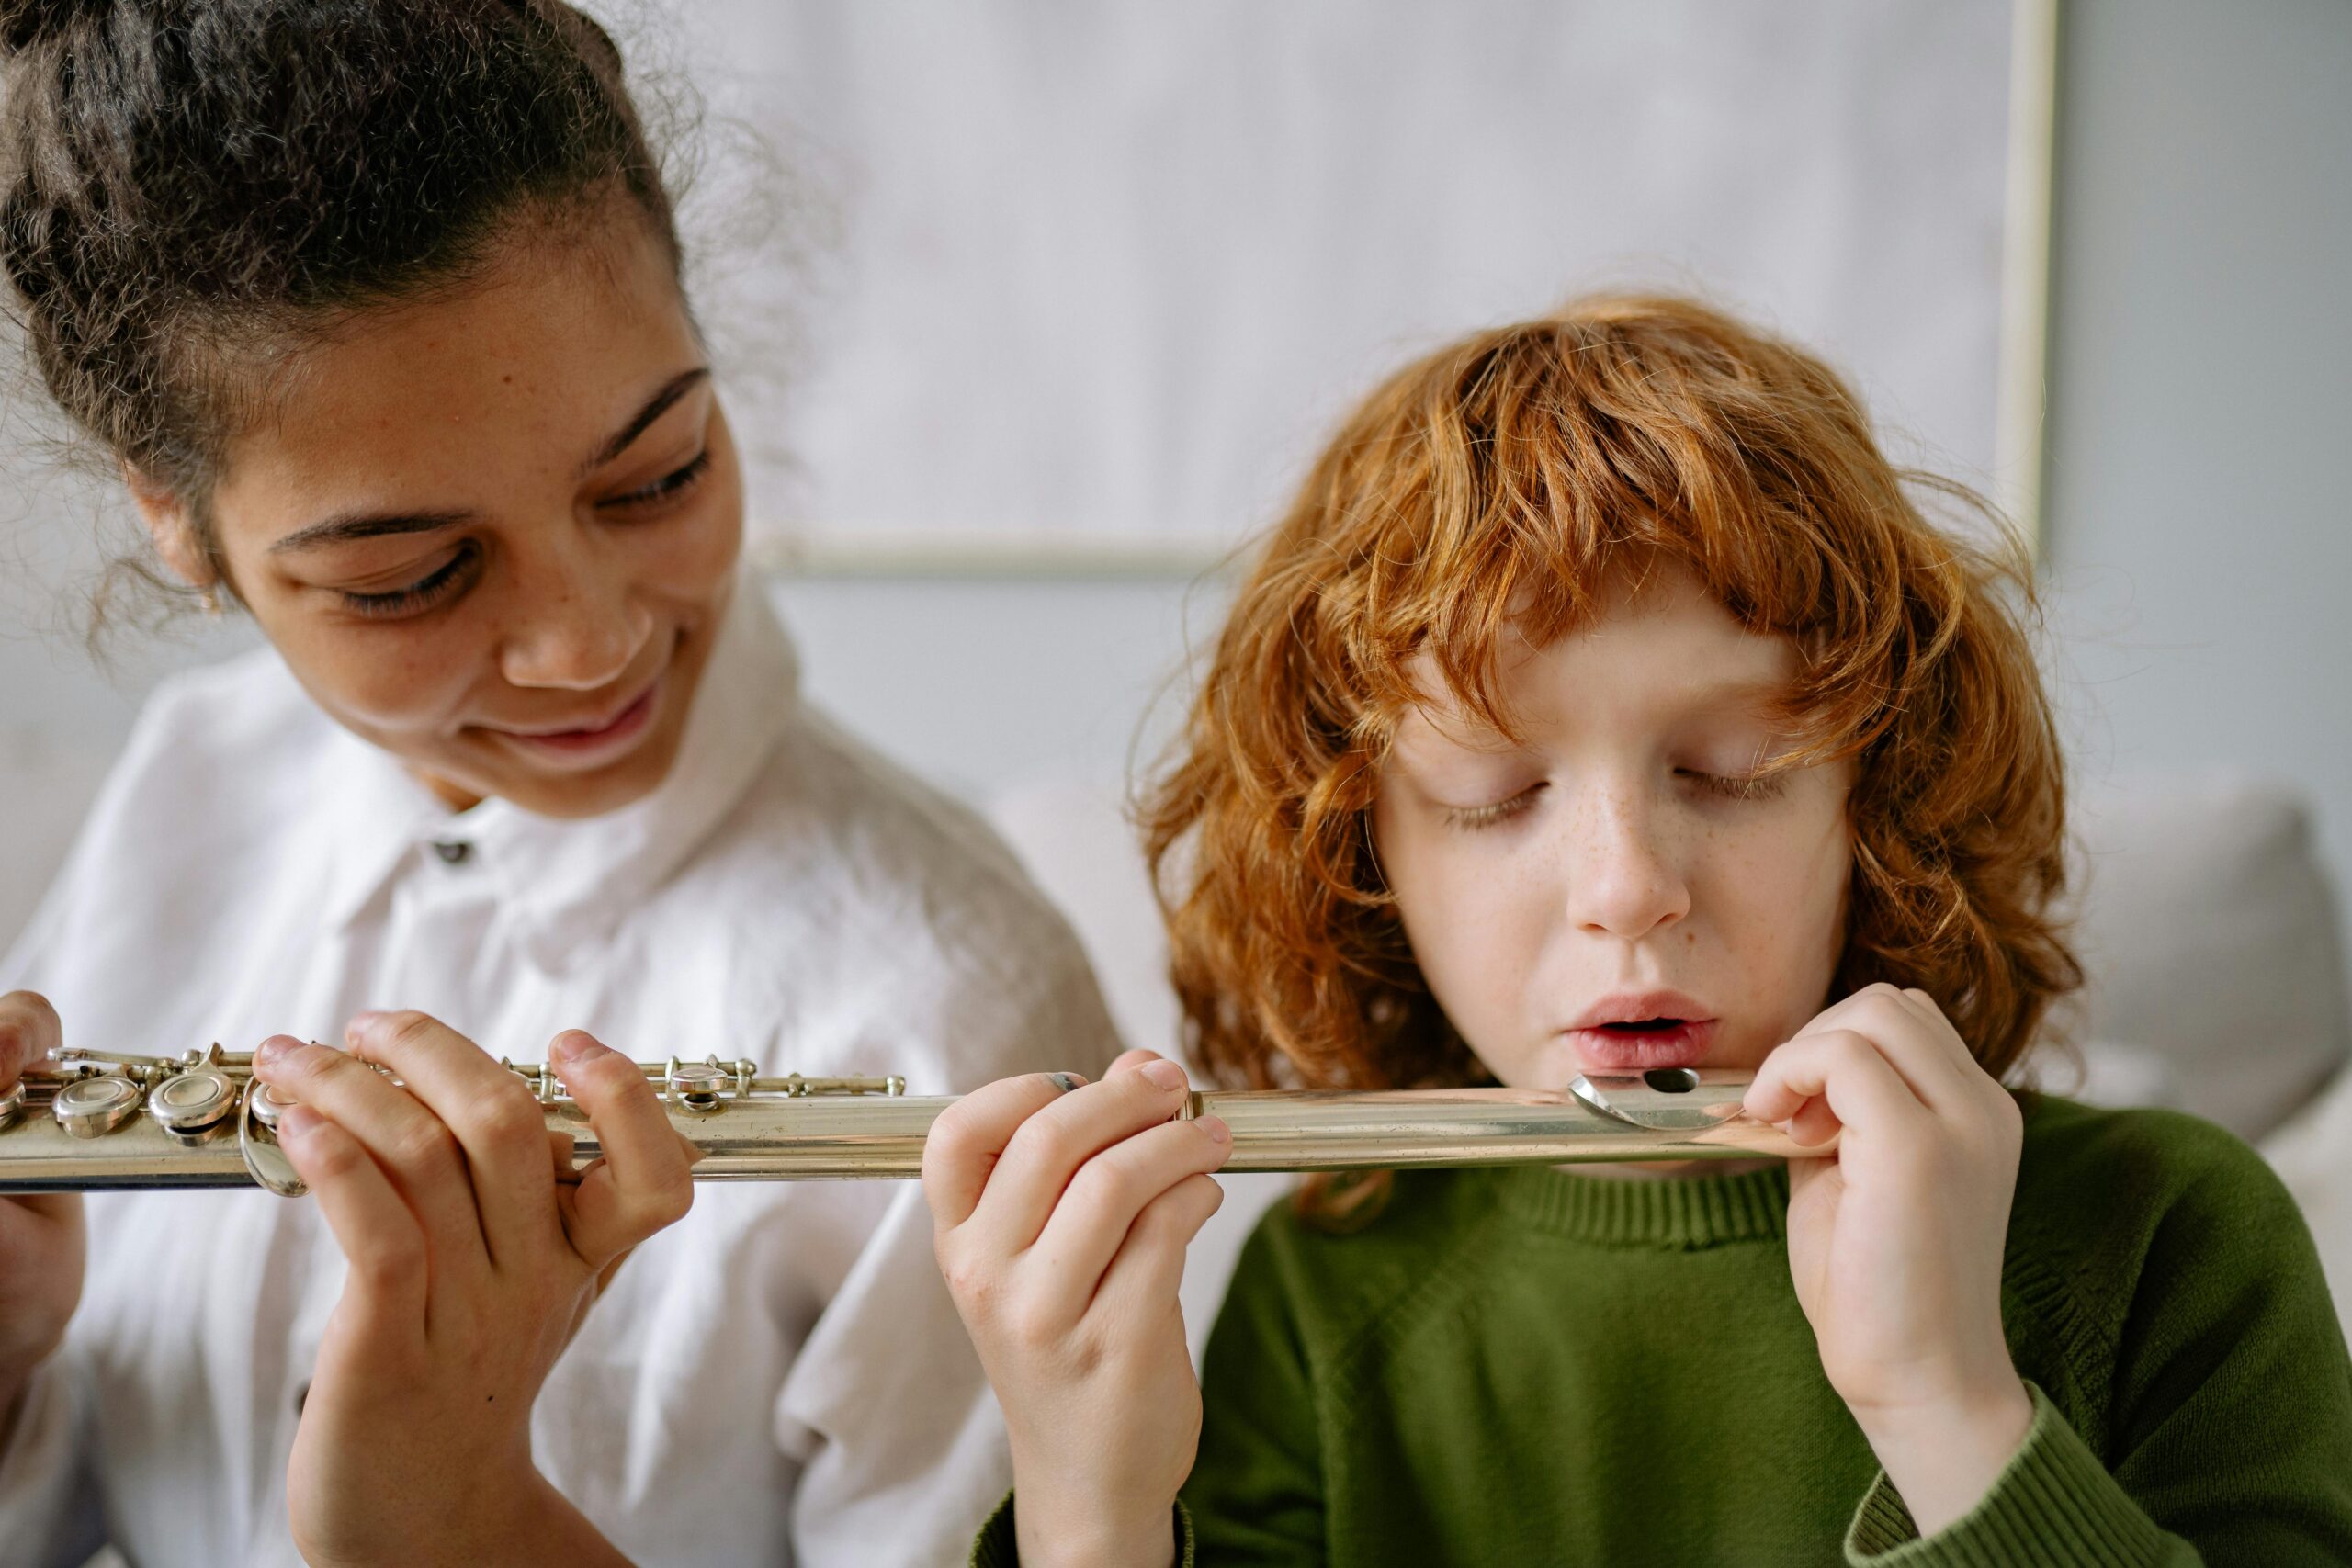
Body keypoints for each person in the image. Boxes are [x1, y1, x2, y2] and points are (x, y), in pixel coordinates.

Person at [924, 296, 2352, 1565]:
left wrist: (1951, 1411)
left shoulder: (2173, 1231)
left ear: (1884, 793)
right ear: (1360, 853)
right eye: (1494, 795)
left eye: (1731, 773)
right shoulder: (1330, 1286)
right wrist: (1089, 1513)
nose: (1626, 887)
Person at [0, 2, 1120, 1563]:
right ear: (176, 526)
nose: (588, 645)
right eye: (411, 576)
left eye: (657, 476)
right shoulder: (192, 787)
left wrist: (465, 1523)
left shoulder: (954, 997)